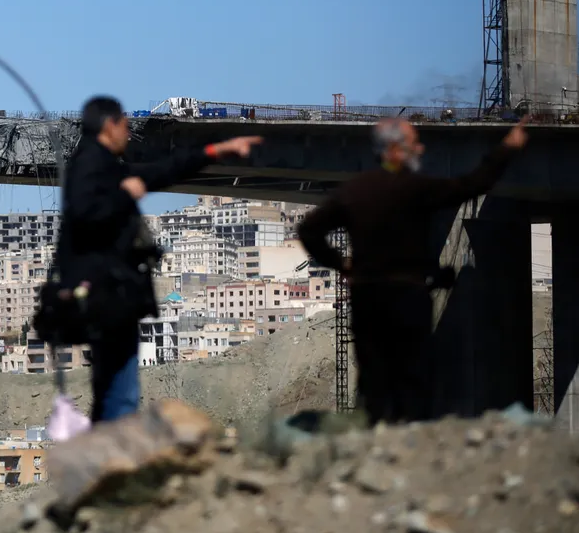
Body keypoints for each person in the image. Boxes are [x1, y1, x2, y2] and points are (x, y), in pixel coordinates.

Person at [298, 116, 529, 426]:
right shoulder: (416, 188)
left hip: (367, 298)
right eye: (413, 143)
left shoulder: (355, 190)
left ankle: (374, 438)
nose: (420, 149)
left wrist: (341, 264)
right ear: (395, 149)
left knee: (373, 378)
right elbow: (473, 184)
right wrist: (507, 148)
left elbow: (309, 230)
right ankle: (409, 437)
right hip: (408, 296)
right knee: (413, 377)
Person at [54, 95, 262, 423]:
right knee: (120, 394)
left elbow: (158, 172)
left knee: (114, 391)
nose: (128, 133)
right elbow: (83, 214)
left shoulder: (104, 165)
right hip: (107, 296)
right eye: (125, 125)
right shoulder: (91, 164)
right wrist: (124, 195)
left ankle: (109, 448)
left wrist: (214, 151)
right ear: (109, 125)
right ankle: (116, 451)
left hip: (109, 294)